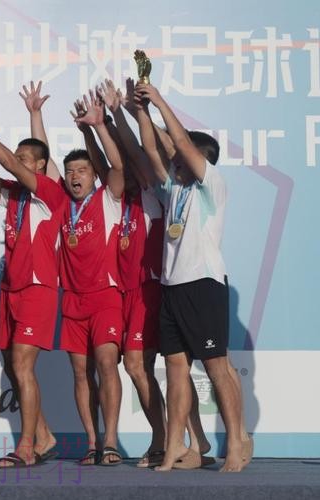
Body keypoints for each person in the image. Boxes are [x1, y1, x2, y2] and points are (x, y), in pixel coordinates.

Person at [134, 82, 250, 472]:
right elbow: (151, 148)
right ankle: (175, 448)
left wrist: (158, 101)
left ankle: (236, 443)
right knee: (176, 371)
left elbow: (178, 142)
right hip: (172, 289)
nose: (173, 160)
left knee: (216, 368)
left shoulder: (211, 185)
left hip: (203, 284)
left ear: (198, 159)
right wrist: (140, 112)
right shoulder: (174, 191)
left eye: (181, 157)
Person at [0, 85, 64, 468]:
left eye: (25, 159)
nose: (18, 162)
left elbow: (7, 162)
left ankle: (25, 447)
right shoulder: (15, 194)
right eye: (18, 157)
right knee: (11, 364)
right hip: (11, 288)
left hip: (39, 287)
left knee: (23, 365)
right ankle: (44, 436)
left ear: (39, 167)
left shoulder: (49, 193)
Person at [97, 79, 167, 467]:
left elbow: (137, 153)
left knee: (137, 365)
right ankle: (167, 437)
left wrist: (118, 113)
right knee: (136, 367)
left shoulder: (154, 193)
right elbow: (109, 164)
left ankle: (162, 439)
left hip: (147, 290)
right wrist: (98, 126)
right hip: (121, 293)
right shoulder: (118, 200)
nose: (127, 166)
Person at [60, 90, 125, 466]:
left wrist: (97, 127)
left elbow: (116, 166)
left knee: (106, 364)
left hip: (105, 297)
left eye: (82, 170)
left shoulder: (106, 198)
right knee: (80, 374)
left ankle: (111, 441)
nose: (75, 176)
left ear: (92, 175)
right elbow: (36, 167)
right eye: (70, 171)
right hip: (72, 301)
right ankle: (91, 442)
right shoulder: (60, 205)